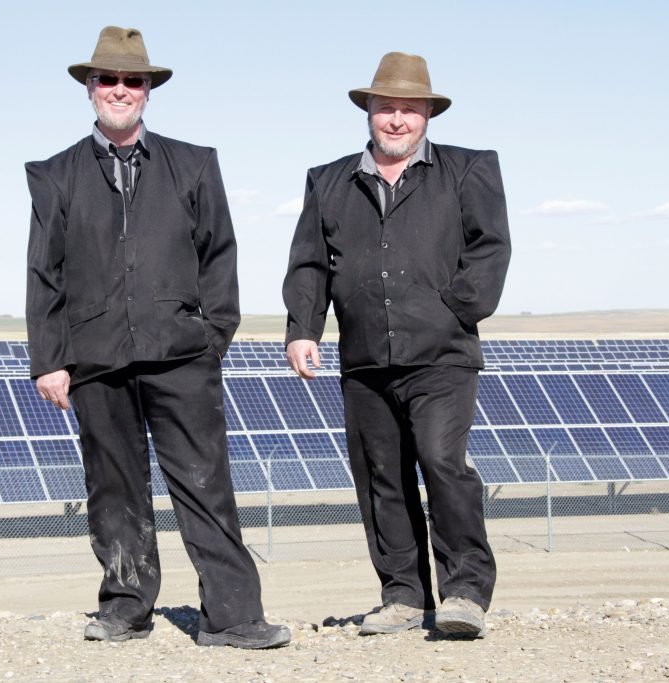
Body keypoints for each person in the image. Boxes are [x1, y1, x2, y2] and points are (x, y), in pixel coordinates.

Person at [25, 26, 290, 649]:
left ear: (149, 91)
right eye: (109, 80)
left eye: (133, 81)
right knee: (113, 487)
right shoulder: (55, 175)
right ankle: (125, 606)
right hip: (96, 359)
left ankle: (232, 616)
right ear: (90, 89)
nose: (121, 90)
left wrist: (211, 338)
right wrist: (50, 360)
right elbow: (44, 273)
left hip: (182, 357)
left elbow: (219, 256)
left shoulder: (194, 163)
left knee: (204, 482)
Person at [283, 52, 511, 638]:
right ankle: (405, 596)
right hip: (363, 358)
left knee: (441, 462)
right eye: (387, 108)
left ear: (428, 115)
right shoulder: (329, 180)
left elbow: (490, 248)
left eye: (410, 109)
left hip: (442, 356)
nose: (397, 120)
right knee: (381, 476)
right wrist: (303, 328)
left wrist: (458, 308)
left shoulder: (468, 169)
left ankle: (464, 593)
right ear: (369, 112)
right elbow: (310, 262)